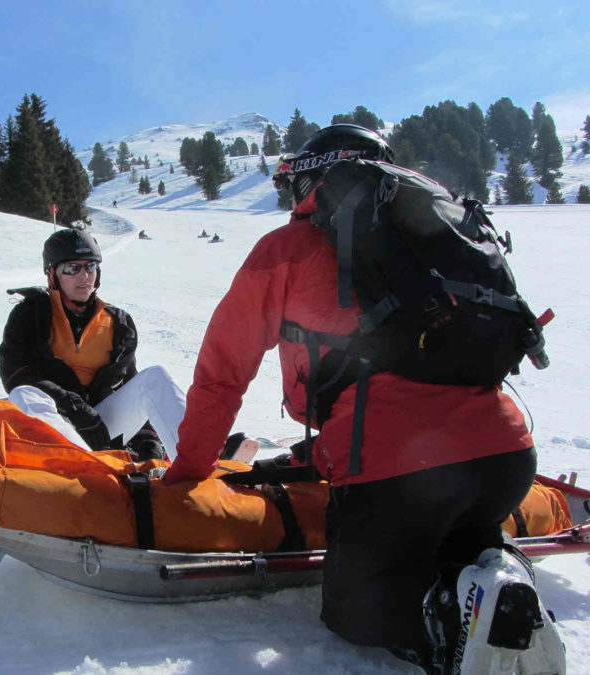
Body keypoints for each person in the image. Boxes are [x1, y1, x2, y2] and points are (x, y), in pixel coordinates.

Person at [162, 125, 563, 673]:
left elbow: (221, 376)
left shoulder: (285, 249)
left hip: (396, 471)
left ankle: (448, 632)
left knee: (355, 612)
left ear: (314, 178)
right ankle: (498, 578)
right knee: (457, 543)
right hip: (506, 458)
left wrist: (186, 474)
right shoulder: (433, 242)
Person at [0, 227, 185, 461]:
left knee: (156, 377)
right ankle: (86, 468)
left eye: (90, 266)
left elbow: (129, 383)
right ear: (52, 274)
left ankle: (192, 463)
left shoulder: (118, 323)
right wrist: (72, 407)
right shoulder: (31, 313)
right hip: (53, 421)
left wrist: (148, 438)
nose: (84, 276)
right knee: (25, 393)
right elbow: (14, 373)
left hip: (98, 428)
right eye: (72, 268)